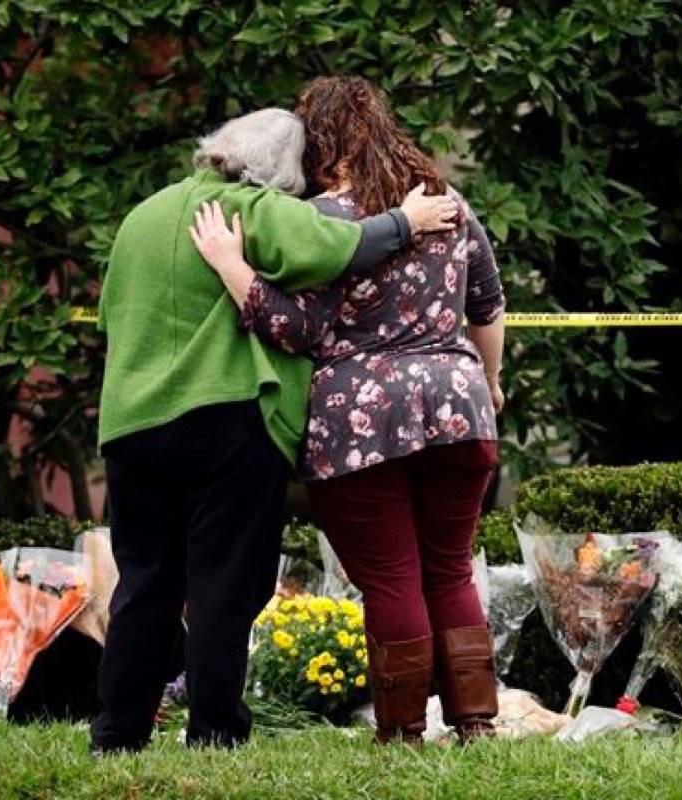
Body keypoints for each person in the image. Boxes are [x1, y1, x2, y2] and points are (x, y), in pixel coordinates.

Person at [91, 107, 460, 754]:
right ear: (280, 172)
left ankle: (117, 735)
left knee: (144, 583)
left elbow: (108, 318)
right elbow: (339, 245)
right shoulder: (255, 209)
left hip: (132, 427)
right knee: (222, 586)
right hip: (225, 422)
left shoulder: (141, 218)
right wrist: (409, 221)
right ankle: (213, 733)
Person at [191, 78, 506, 745]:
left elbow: (292, 326)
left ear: (318, 145)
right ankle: (475, 720)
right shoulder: (448, 205)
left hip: (360, 424)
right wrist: (493, 382)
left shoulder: (324, 222)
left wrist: (230, 266)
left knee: (391, 575)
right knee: (449, 565)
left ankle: (402, 731)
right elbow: (488, 303)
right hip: (459, 404)